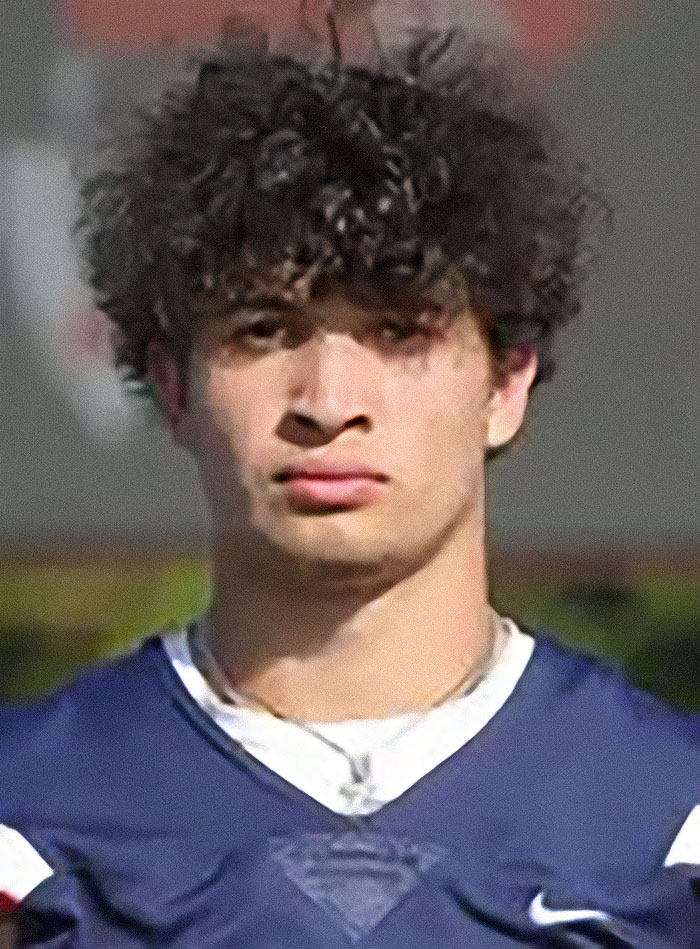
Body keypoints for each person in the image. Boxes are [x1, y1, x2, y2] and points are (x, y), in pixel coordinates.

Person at [1, 26, 698, 948]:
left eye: (399, 332)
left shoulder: (673, 825)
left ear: (506, 382)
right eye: (262, 330)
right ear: (172, 387)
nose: (329, 402)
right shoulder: (24, 817)